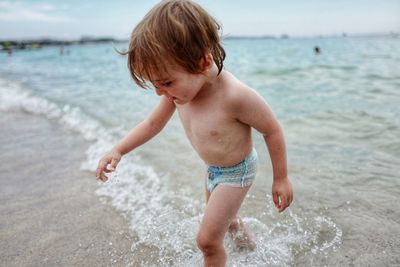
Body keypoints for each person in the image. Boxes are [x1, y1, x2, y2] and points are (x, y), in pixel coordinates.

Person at [96, 1, 293, 266]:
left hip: (237, 172)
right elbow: (153, 124)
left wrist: (281, 178)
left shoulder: (235, 96)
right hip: (213, 170)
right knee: (229, 224)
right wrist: (118, 150)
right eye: (155, 84)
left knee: (208, 241)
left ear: (203, 62)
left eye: (165, 82)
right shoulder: (178, 93)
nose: (160, 92)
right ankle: (253, 253)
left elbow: (272, 130)